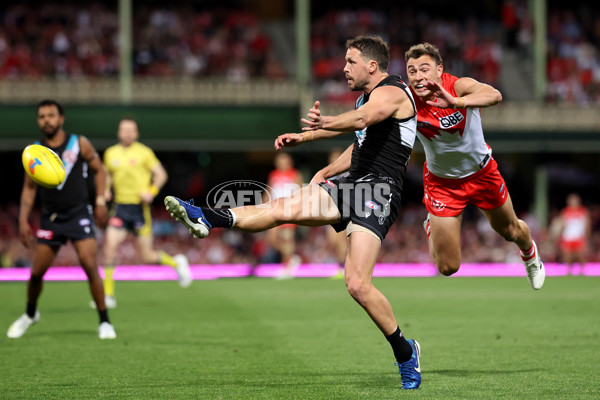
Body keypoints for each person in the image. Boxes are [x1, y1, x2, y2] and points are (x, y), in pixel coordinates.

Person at [164, 36, 422, 389]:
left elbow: (364, 118)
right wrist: (313, 151)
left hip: (379, 194)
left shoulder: (393, 92)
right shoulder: (368, 98)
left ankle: (406, 352)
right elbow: (362, 144)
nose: (344, 68)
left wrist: (324, 124)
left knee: (358, 285)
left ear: (372, 66)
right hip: (352, 187)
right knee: (282, 208)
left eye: (350, 61)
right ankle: (207, 216)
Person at [404, 42, 545, 288]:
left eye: (424, 69)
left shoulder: (457, 86)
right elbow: (371, 117)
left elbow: (494, 95)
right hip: (442, 182)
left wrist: (457, 103)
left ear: (439, 70)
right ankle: (432, 224)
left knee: (511, 231)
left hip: (482, 174)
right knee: (448, 267)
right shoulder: (406, 100)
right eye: (412, 70)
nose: (418, 76)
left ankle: (530, 254)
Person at [7, 99, 117, 340]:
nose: (46, 120)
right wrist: (23, 219)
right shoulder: (35, 151)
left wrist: (100, 201)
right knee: (36, 274)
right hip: (51, 219)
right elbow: (29, 188)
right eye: (42, 116)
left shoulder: (79, 144)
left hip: (79, 214)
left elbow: (100, 170)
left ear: (61, 119)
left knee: (90, 266)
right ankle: (30, 314)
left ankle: (104, 321)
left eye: (51, 115)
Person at [100, 118, 191, 308]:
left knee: (146, 255)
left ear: (136, 133)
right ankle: (107, 295)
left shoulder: (144, 152)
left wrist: (151, 192)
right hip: (120, 208)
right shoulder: (110, 153)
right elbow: (106, 174)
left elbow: (161, 174)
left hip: (139, 209)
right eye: (123, 129)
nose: (127, 133)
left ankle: (177, 264)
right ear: (119, 132)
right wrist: (106, 189)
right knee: (109, 248)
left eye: (131, 130)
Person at [265, 152, 303, 279]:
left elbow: (300, 192)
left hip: (289, 209)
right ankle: (292, 258)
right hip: (275, 208)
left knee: (287, 238)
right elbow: (269, 191)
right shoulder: (273, 175)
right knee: (272, 238)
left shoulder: (295, 174)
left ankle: (286, 266)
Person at [325, 148, 348, 279]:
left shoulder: (346, 175)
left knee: (341, 242)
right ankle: (342, 265)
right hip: (331, 211)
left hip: (343, 210)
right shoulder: (330, 175)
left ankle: (342, 268)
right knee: (332, 240)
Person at [556, 193, 590, 274]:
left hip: (579, 237)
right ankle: (569, 272)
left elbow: (587, 224)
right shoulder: (565, 211)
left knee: (580, 255)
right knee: (568, 256)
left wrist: (587, 236)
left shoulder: (583, 211)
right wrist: (560, 235)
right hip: (568, 237)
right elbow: (562, 224)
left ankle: (582, 271)